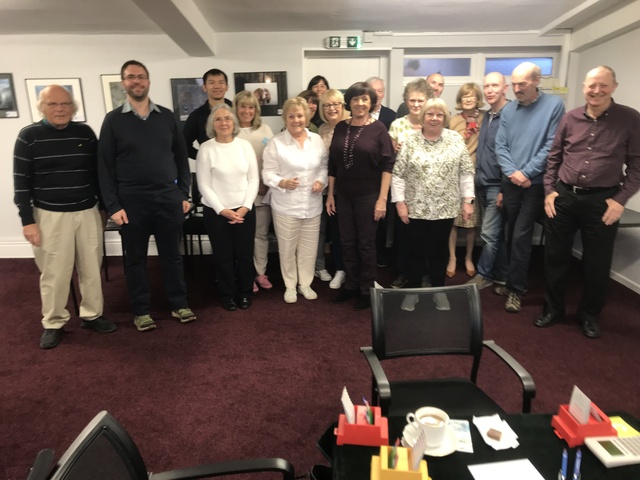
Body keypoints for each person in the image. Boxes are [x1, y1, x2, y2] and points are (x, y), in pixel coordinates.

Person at [535, 65, 640, 339]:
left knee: (597, 263)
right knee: (555, 259)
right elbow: (554, 157)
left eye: (603, 85)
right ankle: (553, 310)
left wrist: (620, 200)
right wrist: (549, 190)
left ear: (614, 87)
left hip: (603, 201)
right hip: (564, 197)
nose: (596, 90)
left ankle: (589, 315)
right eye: (592, 85)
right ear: (584, 87)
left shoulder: (629, 119)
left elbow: (637, 165)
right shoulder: (570, 118)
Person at [13, 85, 117, 349]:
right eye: (53, 104)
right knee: (55, 273)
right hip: (50, 215)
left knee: (91, 268)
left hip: (87, 211)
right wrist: (27, 221)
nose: (60, 109)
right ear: (42, 107)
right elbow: (21, 183)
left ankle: (92, 315)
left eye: (65, 104)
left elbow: (98, 173)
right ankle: (54, 322)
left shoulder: (85, 133)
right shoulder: (28, 137)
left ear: (73, 107)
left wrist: (103, 208)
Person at [98, 60, 196, 331]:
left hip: (167, 198)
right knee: (135, 260)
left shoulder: (166, 117)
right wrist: (113, 205)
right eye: (131, 77)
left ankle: (179, 304)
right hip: (131, 201)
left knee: (172, 256)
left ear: (148, 81)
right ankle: (141, 311)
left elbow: (181, 159)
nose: (136, 81)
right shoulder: (113, 120)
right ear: (124, 83)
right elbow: (104, 167)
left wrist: (183, 193)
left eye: (141, 76)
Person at [393, 98, 475, 312]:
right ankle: (413, 292)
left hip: (445, 208)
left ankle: (439, 290)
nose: (434, 118)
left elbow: (466, 171)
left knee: (439, 252)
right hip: (416, 208)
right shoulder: (410, 141)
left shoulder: (455, 139)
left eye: (439, 114)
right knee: (415, 252)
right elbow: (398, 174)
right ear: (423, 116)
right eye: (430, 114)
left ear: (445, 117)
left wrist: (468, 201)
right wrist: (400, 202)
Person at [495, 62, 565, 313]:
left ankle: (516, 290)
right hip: (511, 183)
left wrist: (526, 173)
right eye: (513, 84)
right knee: (510, 234)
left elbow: (552, 146)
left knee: (521, 237)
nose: (516, 89)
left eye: (522, 84)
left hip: (535, 185)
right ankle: (511, 281)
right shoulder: (508, 109)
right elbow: (500, 145)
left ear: (537, 81)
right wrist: (513, 173)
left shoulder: (554, 106)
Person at [327, 82, 395, 310]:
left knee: (366, 245)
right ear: (349, 102)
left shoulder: (379, 129)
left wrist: (382, 200)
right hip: (344, 196)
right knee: (347, 242)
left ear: (371, 102)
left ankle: (366, 289)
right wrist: (331, 195)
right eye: (356, 99)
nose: (360, 103)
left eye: (365, 99)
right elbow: (333, 164)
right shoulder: (341, 127)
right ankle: (351, 285)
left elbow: (388, 165)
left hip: (369, 196)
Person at [262, 97, 328, 304]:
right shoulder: (276, 143)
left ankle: (305, 284)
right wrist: (282, 182)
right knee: (287, 249)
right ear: (285, 118)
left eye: (300, 116)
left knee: (309, 250)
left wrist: (321, 181)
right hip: (286, 206)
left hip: (312, 204)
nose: (296, 120)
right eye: (291, 116)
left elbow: (324, 167)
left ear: (306, 117)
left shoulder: (316, 140)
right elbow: (267, 174)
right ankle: (290, 286)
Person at [197, 103, 259, 311]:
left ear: (234, 122)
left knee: (244, 254)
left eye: (227, 118)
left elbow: (253, 179)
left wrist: (245, 207)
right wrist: (222, 210)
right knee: (223, 255)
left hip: (244, 210)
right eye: (218, 119)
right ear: (212, 124)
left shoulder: (244, 146)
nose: (223, 123)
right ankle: (227, 293)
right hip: (216, 212)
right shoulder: (206, 148)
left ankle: (245, 292)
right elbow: (204, 184)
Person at [388, 78, 435, 288]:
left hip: (429, 188)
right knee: (404, 234)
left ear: (428, 101)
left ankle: (424, 275)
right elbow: (388, 157)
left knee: (426, 235)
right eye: (412, 100)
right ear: (406, 101)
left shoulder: (433, 123)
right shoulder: (397, 125)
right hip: (404, 188)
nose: (416, 104)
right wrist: (393, 149)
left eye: (420, 100)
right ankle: (404, 273)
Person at [467, 72, 510, 290]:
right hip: (482, 182)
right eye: (486, 86)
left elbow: (512, 154)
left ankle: (484, 274)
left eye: (495, 85)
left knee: (488, 233)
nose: (490, 90)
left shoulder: (511, 115)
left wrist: (504, 188)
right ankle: (502, 275)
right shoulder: (486, 116)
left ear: (505, 88)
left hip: (498, 185)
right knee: (495, 234)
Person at [233, 90, 275, 293]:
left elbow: (274, 159)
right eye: (243, 106)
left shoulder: (265, 129)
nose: (247, 111)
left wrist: (265, 183)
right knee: (242, 237)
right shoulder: (231, 131)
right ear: (236, 108)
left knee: (261, 235)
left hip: (264, 191)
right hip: (240, 194)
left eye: (251, 107)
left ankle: (260, 272)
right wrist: (251, 186)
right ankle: (246, 274)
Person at [447, 83, 485, 278]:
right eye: (465, 96)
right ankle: (452, 257)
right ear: (460, 100)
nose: (468, 99)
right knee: (453, 220)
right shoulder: (453, 120)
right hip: (455, 175)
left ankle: (469, 257)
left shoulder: (485, 118)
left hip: (475, 175)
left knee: (472, 221)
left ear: (477, 98)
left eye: (472, 96)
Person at [316, 89, 349, 289]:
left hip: (344, 189)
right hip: (324, 189)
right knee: (327, 231)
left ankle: (343, 269)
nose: (332, 108)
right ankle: (333, 267)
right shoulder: (322, 130)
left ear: (343, 106)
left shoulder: (350, 126)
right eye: (327, 105)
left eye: (336, 104)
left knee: (342, 232)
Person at [183, 68, 232, 160]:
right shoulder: (196, 116)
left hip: (238, 163)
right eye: (212, 83)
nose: (217, 86)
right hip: (210, 166)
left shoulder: (236, 110)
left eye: (221, 82)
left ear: (227, 87)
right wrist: (203, 156)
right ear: (204, 87)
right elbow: (184, 145)